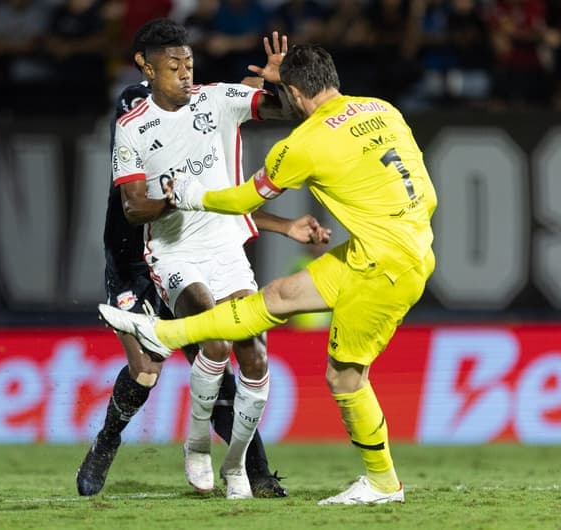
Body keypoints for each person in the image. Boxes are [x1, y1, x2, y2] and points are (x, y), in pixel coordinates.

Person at [98, 44, 437, 506]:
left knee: (345, 379)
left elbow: (241, 202)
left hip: (383, 269)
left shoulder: (302, 145)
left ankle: (382, 482)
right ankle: (165, 334)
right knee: (274, 298)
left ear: (294, 92)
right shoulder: (381, 109)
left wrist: (193, 194)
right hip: (395, 244)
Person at [77, 20, 330, 499]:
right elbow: (135, 209)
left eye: (188, 65)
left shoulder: (212, 103)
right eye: (173, 67)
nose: (184, 75)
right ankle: (106, 441)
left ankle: (251, 470)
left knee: (224, 350)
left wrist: (279, 85)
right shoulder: (134, 123)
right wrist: (176, 198)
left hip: (205, 250)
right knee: (146, 371)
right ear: (146, 70)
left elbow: (226, 195)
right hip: (137, 258)